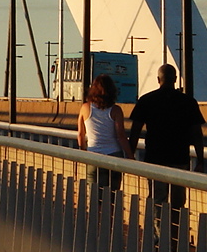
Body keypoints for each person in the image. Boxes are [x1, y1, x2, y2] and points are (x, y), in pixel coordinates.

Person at [129, 64, 205, 210]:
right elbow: (197, 134)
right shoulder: (188, 102)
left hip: (155, 158)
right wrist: (200, 161)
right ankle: (175, 231)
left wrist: (130, 154)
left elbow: (135, 131)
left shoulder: (147, 100)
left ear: (158, 79)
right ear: (175, 79)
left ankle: (158, 232)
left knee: (157, 201)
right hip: (179, 158)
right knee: (178, 203)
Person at [77, 73, 132, 192]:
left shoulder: (85, 108)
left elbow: (81, 134)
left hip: (93, 155)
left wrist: (83, 152)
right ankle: (110, 211)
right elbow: (121, 136)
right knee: (112, 195)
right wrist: (130, 155)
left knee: (94, 196)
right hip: (114, 155)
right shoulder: (116, 110)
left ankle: (97, 211)